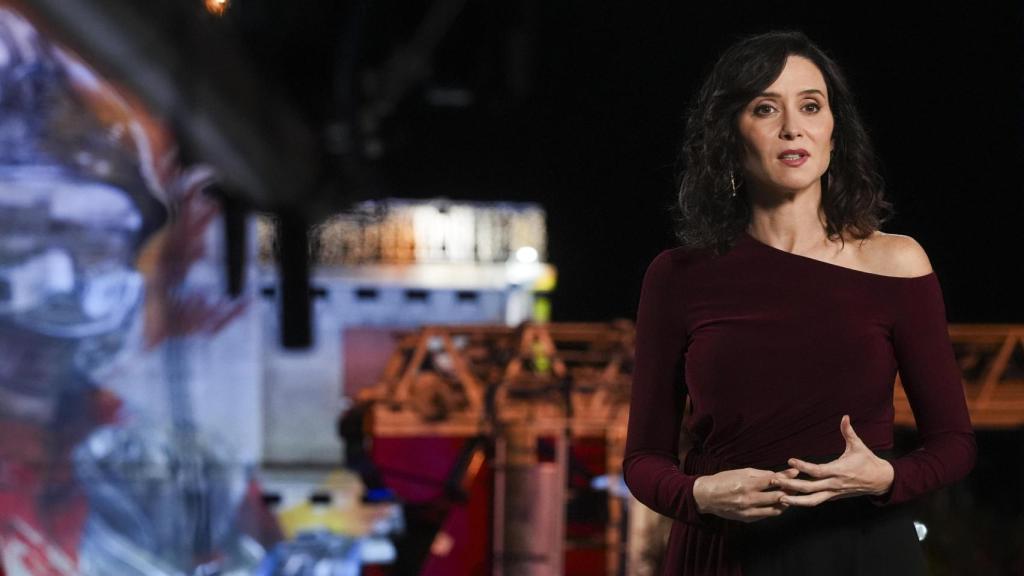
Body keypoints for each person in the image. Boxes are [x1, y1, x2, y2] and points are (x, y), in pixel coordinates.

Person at [622, 30, 976, 575]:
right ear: (729, 136)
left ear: (834, 133)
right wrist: (699, 496)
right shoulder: (676, 276)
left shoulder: (898, 262)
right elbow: (644, 459)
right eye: (766, 108)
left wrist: (886, 478)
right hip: (727, 551)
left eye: (810, 106)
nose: (793, 127)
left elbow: (952, 443)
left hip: (862, 547)